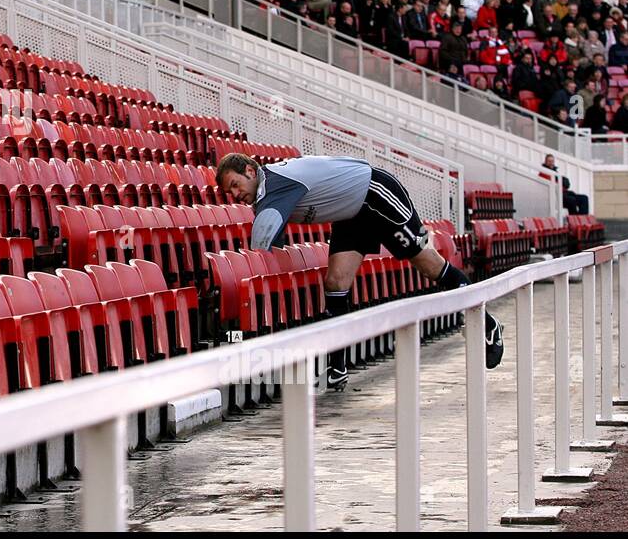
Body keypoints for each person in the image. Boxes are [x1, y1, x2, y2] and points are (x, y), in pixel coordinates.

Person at [216, 153, 505, 390]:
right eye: (229, 192)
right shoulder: (268, 193)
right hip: (350, 212)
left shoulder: (275, 185)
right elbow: (269, 239)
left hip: (376, 193)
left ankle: (488, 324)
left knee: (428, 265)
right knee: (335, 281)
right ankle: (337, 366)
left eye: (235, 184)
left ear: (251, 171)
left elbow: (262, 243)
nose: (234, 194)